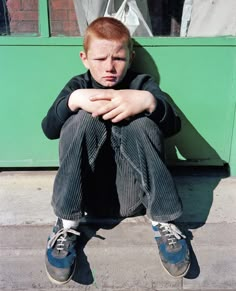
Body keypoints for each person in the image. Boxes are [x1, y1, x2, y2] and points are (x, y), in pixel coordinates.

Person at [41, 16, 190, 285]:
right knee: (81, 119)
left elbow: (173, 126)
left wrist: (148, 102)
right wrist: (73, 101)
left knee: (142, 123)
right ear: (85, 58)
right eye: (100, 59)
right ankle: (65, 226)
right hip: (84, 198)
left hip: (135, 195)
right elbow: (49, 129)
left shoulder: (140, 83)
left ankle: (164, 222)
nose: (109, 67)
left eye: (118, 59)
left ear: (130, 57)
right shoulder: (78, 84)